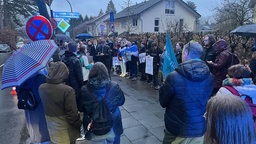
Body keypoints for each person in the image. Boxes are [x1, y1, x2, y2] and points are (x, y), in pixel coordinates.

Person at [159, 40, 213, 144]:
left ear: (186, 53)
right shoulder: (210, 77)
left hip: (176, 129)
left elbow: (163, 102)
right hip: (199, 128)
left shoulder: (173, 77)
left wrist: (164, 85)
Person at [79, 62, 125, 144]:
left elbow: (80, 107)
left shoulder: (84, 89)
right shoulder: (114, 86)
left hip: (94, 122)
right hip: (113, 120)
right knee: (115, 140)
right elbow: (121, 101)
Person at [39, 61, 82, 144]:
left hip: (51, 127)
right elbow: (72, 114)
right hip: (65, 128)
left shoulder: (41, 87)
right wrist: (79, 123)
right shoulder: (67, 90)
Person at [16, 72, 50, 144]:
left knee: (32, 125)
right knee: (43, 126)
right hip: (41, 106)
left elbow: (19, 94)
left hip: (29, 107)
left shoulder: (20, 79)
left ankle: (35, 140)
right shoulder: (40, 76)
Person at [63, 41, 83, 106]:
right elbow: (80, 77)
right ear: (76, 49)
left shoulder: (63, 59)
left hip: (65, 84)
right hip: (75, 86)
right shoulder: (76, 60)